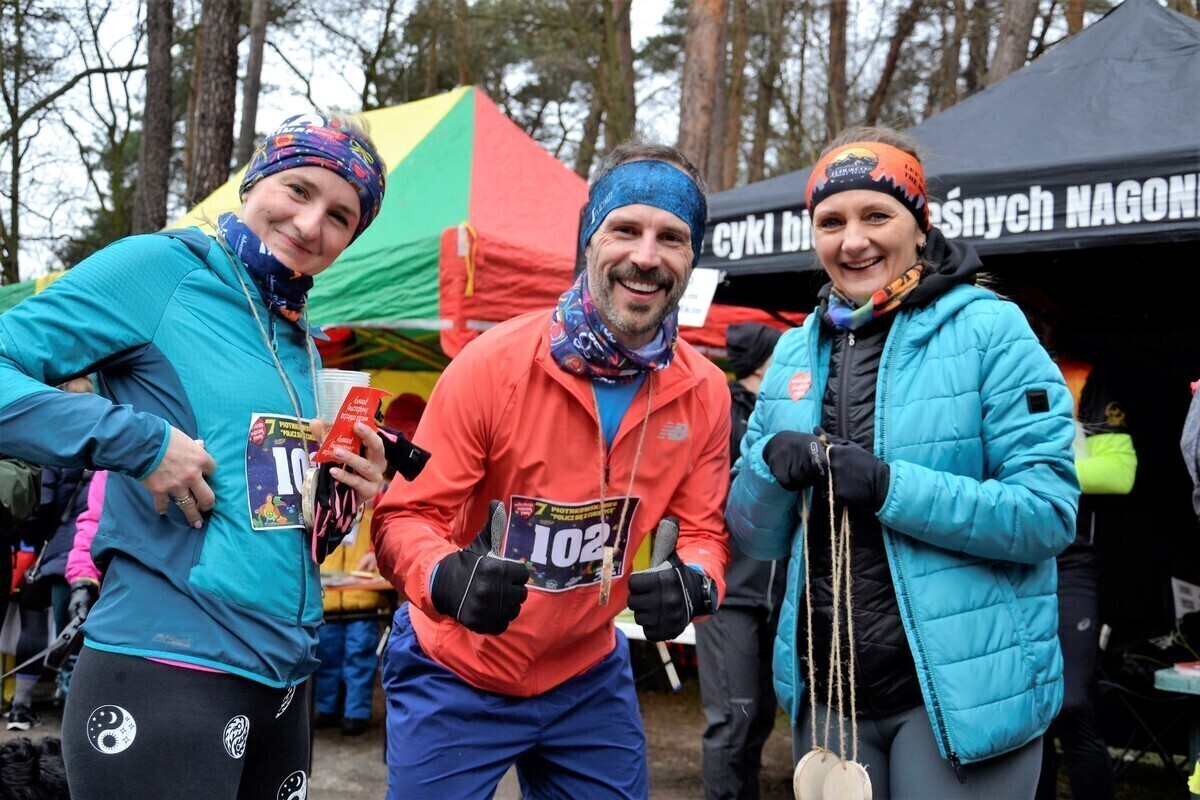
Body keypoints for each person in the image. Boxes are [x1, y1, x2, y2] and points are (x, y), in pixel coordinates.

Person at [0, 113, 389, 799]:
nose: (309, 225)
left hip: (285, 678)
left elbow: (256, 516)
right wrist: (137, 441)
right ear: (256, 179)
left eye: (339, 216)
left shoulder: (295, 335)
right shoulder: (158, 269)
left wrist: (337, 495)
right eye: (298, 190)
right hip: (167, 662)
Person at [725, 126, 1080, 799]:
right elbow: (756, 536)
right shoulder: (796, 356)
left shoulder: (990, 330)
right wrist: (770, 470)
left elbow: (1046, 515)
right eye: (830, 221)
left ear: (920, 226)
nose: (852, 239)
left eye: (876, 215)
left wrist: (890, 487)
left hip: (958, 694)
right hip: (830, 690)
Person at [372, 141, 732, 800]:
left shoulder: (704, 392)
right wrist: (446, 578)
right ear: (588, 243)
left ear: (692, 257)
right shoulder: (490, 366)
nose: (646, 257)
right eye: (625, 229)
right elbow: (404, 517)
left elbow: (706, 533)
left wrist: (697, 586)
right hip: (456, 669)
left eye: (672, 238)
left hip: (587, 676)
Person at [1014, 285, 1136, 800]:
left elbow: (1119, 471)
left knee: (1072, 704)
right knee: (1028, 711)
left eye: (1029, 318)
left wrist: (1036, 470)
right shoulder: (980, 373)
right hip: (1009, 560)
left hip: (1070, 562)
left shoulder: (1083, 374)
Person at [696, 321, 785, 800]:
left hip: (774, 592)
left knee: (759, 716)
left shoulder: (777, 414)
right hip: (730, 592)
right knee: (733, 717)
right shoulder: (724, 414)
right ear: (763, 365)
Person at [313, 394, 427, 737]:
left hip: (364, 597)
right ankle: (325, 709)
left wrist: (380, 552)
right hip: (330, 596)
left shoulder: (388, 492)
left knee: (360, 657)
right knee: (329, 654)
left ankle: (356, 714)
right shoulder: (331, 476)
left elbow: (392, 529)